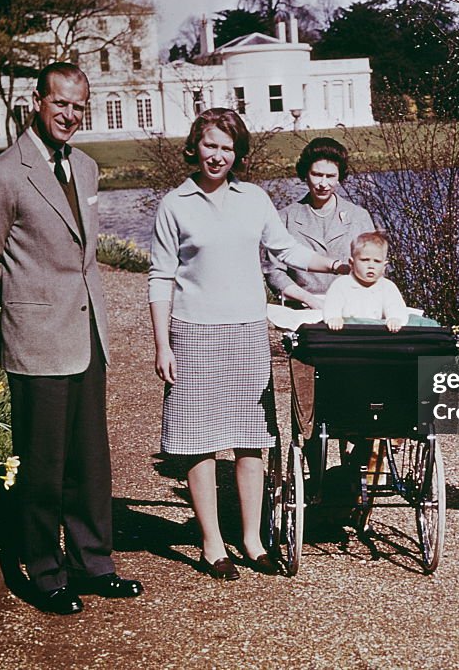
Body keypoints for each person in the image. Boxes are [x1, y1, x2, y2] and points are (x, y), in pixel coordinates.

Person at [0, 62, 141, 615]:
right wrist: (29, 304)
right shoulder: (0, 176)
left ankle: (94, 562)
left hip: (87, 335)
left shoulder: (86, 168)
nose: (69, 115)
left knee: (90, 460)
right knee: (41, 462)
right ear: (36, 103)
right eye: (60, 103)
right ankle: (44, 570)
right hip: (38, 336)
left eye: (79, 107)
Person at [149, 108, 349, 581]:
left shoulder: (254, 198)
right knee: (198, 441)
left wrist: (335, 267)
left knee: (250, 439)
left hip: (245, 332)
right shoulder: (175, 204)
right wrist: (163, 345)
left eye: (226, 147)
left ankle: (253, 539)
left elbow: (287, 250)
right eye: (209, 145)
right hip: (193, 333)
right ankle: (211, 543)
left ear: (237, 152)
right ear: (194, 147)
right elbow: (160, 278)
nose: (217, 155)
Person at [264, 137, 374, 311]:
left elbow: (374, 267)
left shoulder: (359, 217)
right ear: (305, 174)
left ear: (339, 177)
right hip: (301, 309)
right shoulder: (284, 217)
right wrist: (309, 300)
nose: (323, 183)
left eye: (330, 176)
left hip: (351, 307)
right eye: (317, 175)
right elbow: (274, 272)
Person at [323, 231, 409, 332]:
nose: (371, 266)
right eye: (365, 260)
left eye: (377, 261)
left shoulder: (387, 287)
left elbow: (396, 307)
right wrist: (333, 318)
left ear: (384, 266)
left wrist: (395, 319)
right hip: (347, 335)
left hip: (376, 336)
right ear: (351, 263)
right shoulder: (341, 285)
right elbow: (332, 306)